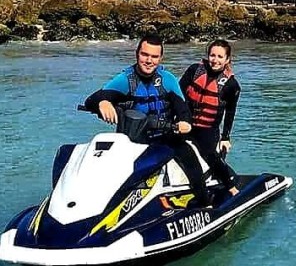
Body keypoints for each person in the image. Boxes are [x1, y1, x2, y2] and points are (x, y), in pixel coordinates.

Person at [83, 34, 211, 207]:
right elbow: (93, 98)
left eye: (154, 56)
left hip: (167, 136)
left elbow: (183, 109)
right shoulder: (126, 80)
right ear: (137, 54)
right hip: (134, 139)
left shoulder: (167, 79)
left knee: (189, 159)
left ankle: (205, 204)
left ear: (160, 58)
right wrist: (103, 102)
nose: (149, 60)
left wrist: (184, 123)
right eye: (145, 55)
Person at [180, 40, 241, 197]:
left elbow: (230, 112)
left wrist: (225, 137)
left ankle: (231, 186)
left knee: (209, 154)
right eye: (212, 55)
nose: (215, 59)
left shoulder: (231, 85)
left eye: (220, 56)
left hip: (207, 129)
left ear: (227, 59)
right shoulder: (194, 70)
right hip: (185, 123)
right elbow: (178, 95)